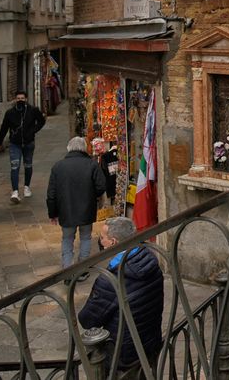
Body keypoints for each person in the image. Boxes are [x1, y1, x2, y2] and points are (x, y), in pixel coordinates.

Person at [78, 217, 164, 377]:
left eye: (102, 238)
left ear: (113, 242)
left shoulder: (110, 280)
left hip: (123, 353)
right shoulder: (150, 259)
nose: (100, 241)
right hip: (150, 342)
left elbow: (88, 320)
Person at [47, 137, 107, 269]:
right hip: (86, 209)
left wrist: (52, 213)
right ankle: (82, 268)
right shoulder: (91, 164)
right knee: (85, 237)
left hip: (66, 210)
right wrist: (92, 196)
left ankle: (68, 268)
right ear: (84, 149)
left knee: (67, 239)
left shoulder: (58, 167)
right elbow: (101, 186)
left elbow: (51, 193)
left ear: (69, 148)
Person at [0, 90, 46, 203]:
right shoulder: (10, 113)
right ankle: (15, 191)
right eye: (18, 98)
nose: (20, 100)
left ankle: (27, 186)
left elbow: (41, 121)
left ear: (26, 99)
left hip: (29, 143)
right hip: (14, 144)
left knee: (28, 165)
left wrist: (33, 131)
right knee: (14, 166)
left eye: (22, 98)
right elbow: (4, 128)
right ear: (15, 99)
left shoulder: (33, 110)